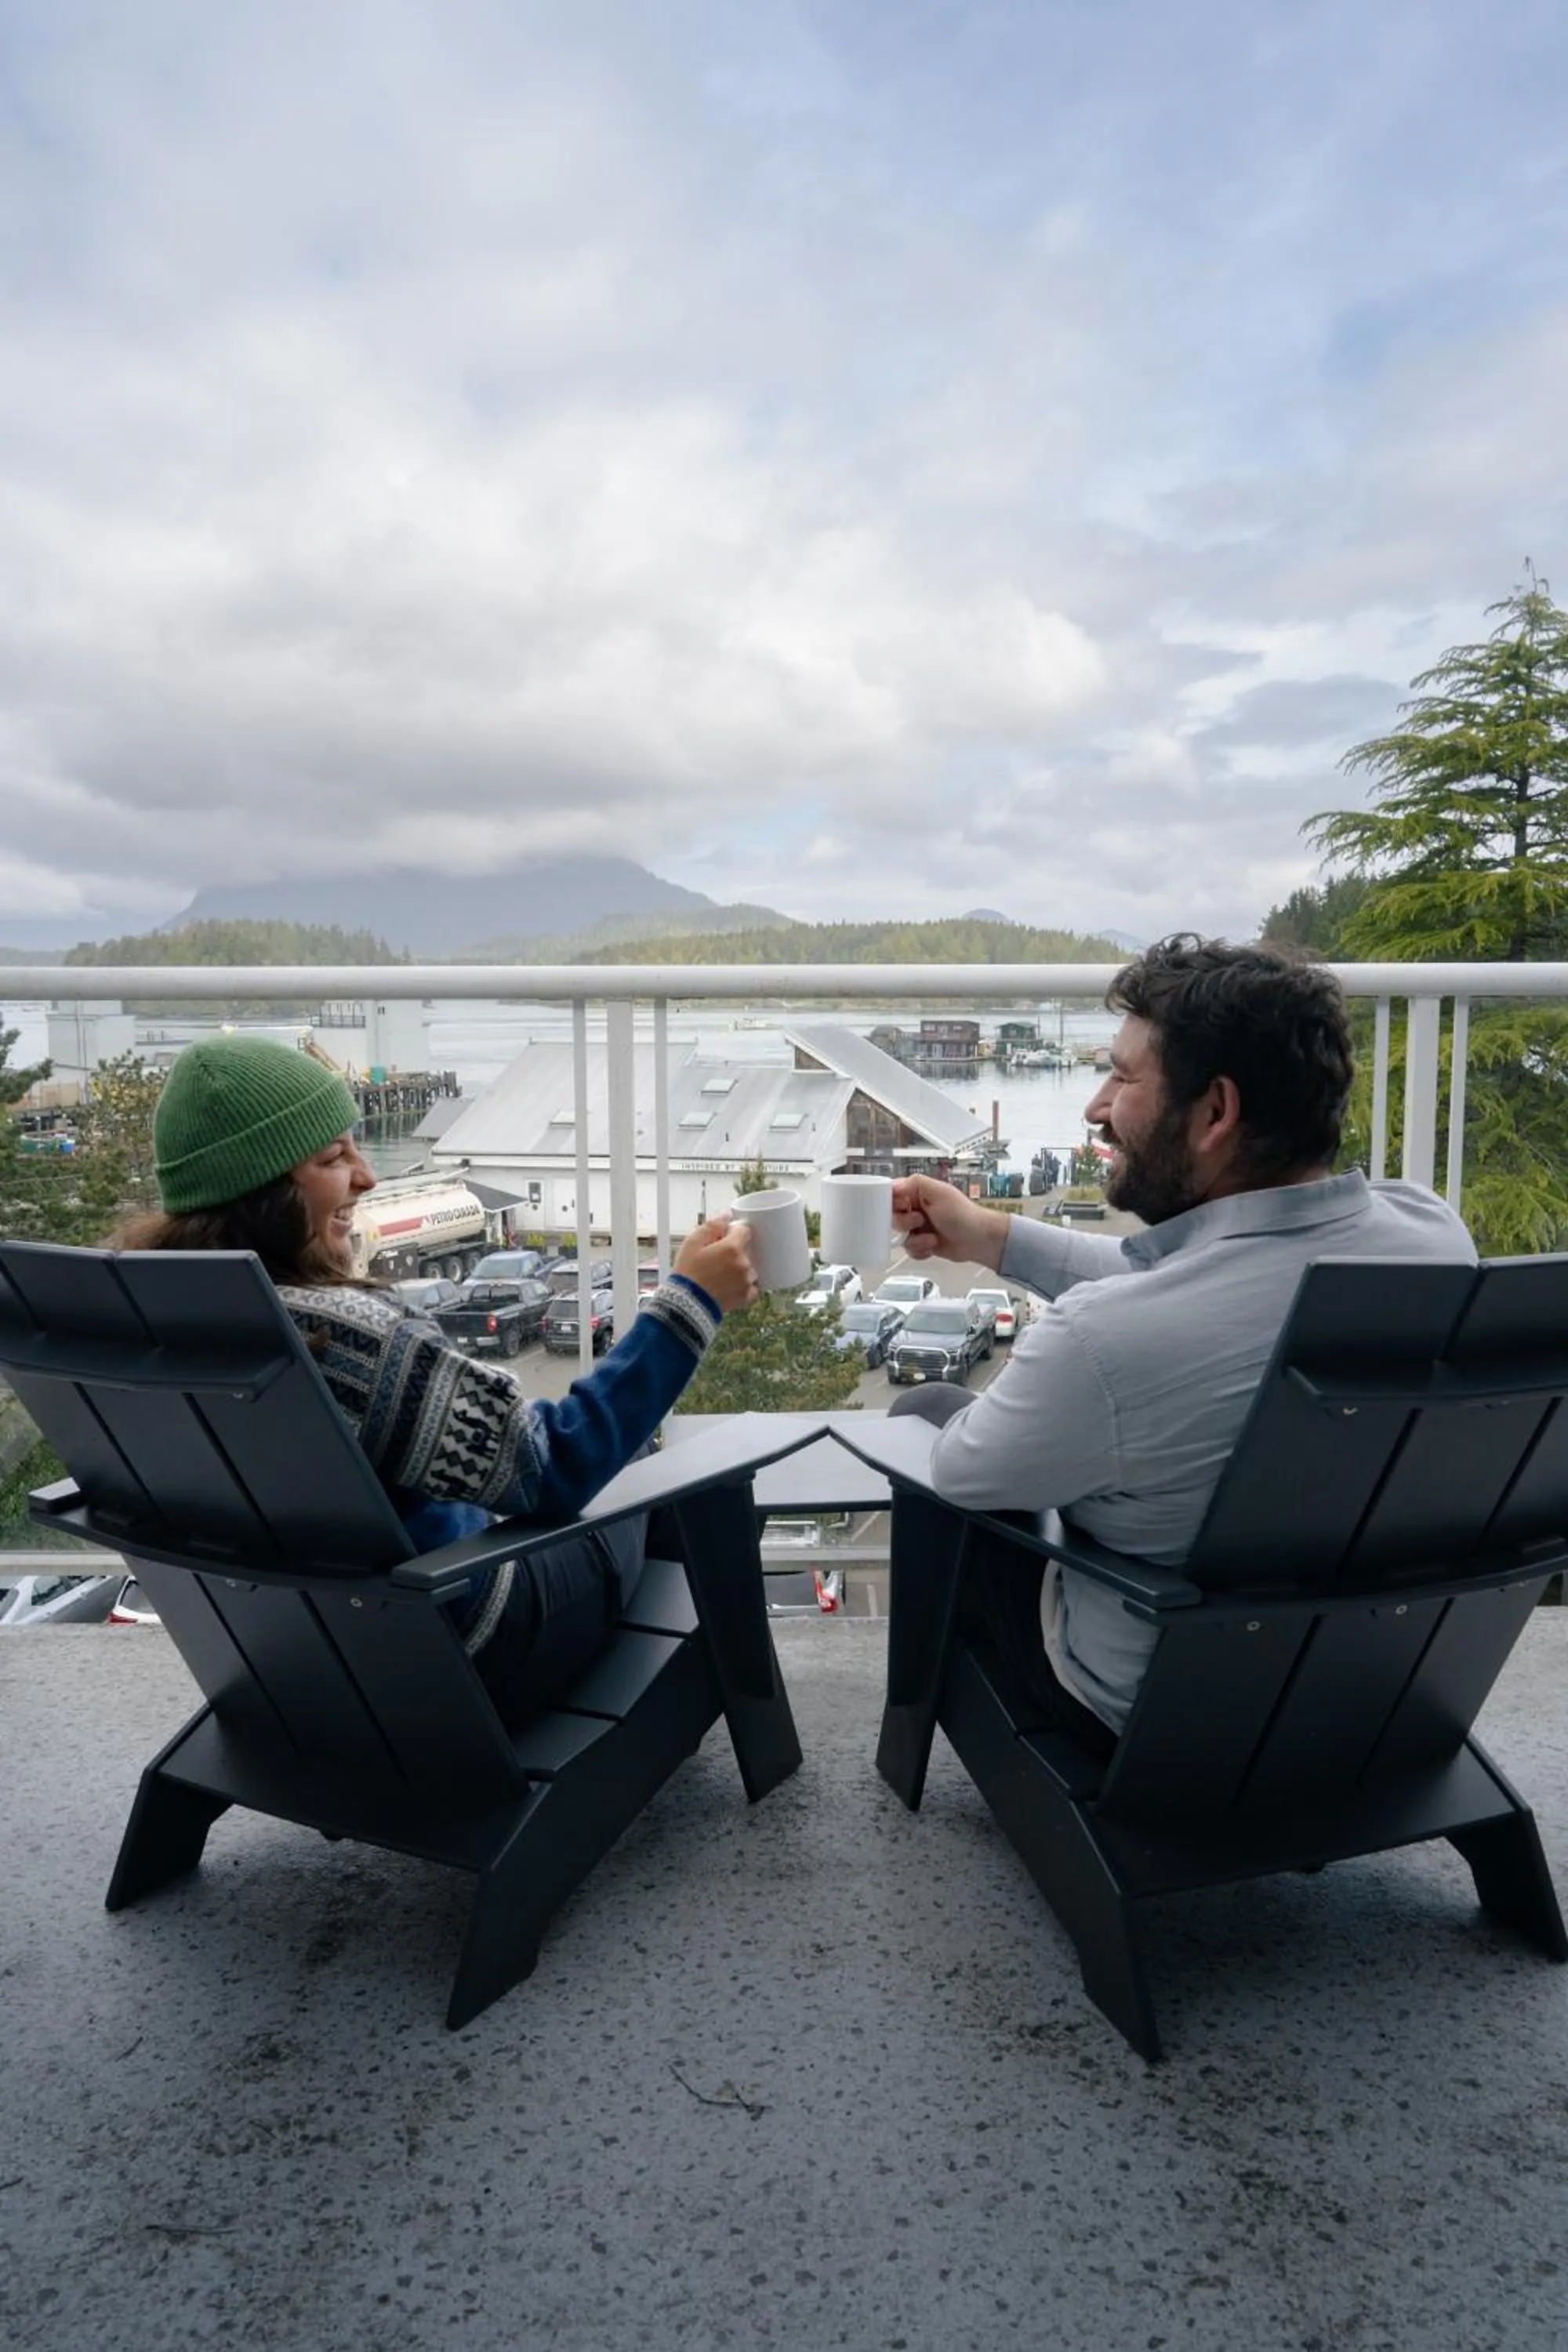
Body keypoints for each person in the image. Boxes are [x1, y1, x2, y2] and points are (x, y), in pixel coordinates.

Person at [891, 935, 1477, 1755]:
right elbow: (1206, 1290)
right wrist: (994, 1238)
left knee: (929, 1410)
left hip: (1166, 1730)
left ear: (1213, 1112)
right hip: (1377, 1699)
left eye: (1123, 1077)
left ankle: (910, 1741)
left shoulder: (1102, 1346)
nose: (1095, 1107)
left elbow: (963, 1471)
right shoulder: (1432, 1241)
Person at [111, 1033, 758, 1727]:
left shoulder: (150, 1323)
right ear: (260, 1194)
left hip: (298, 1665)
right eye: (333, 1158)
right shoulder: (345, 1343)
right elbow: (559, 1464)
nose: (367, 1176)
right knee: (664, 1463)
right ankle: (702, 1705)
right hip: (473, 1649)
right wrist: (692, 1298)